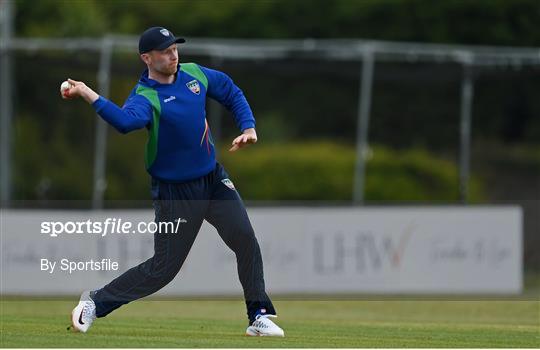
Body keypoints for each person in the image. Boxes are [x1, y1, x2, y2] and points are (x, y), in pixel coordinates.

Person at [63, 26, 284, 337]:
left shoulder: (194, 74)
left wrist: (248, 127)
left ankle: (258, 316)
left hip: (212, 178)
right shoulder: (146, 96)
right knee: (163, 270)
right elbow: (126, 122)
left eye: (175, 48)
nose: (174, 54)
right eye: (166, 51)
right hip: (176, 191)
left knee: (245, 239)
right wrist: (88, 93)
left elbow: (232, 91)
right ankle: (95, 303)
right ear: (147, 58)